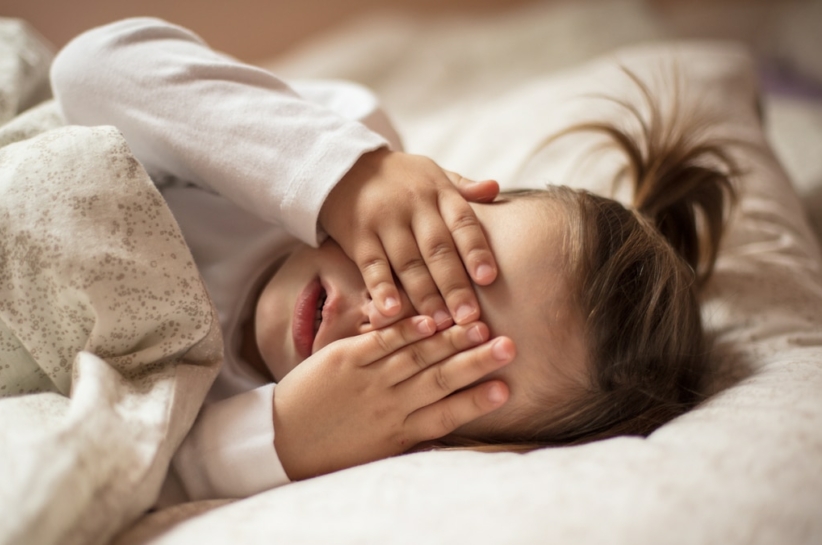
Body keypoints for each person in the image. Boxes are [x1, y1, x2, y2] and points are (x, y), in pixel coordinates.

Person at [50, 18, 735, 501]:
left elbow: (104, 479)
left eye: (433, 364)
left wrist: (279, 437)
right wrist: (342, 175)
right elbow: (90, 69)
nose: (385, 310)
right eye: (434, 267)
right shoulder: (341, 150)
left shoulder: (313, 439)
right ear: (450, 194)